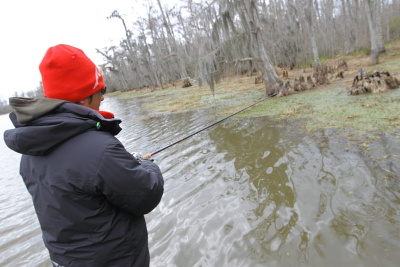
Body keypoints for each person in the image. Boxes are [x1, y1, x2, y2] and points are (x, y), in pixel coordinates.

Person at [3, 44, 164, 267]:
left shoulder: (30, 149)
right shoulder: (101, 148)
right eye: (100, 91)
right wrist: (148, 166)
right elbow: (146, 194)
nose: (103, 98)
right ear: (82, 98)